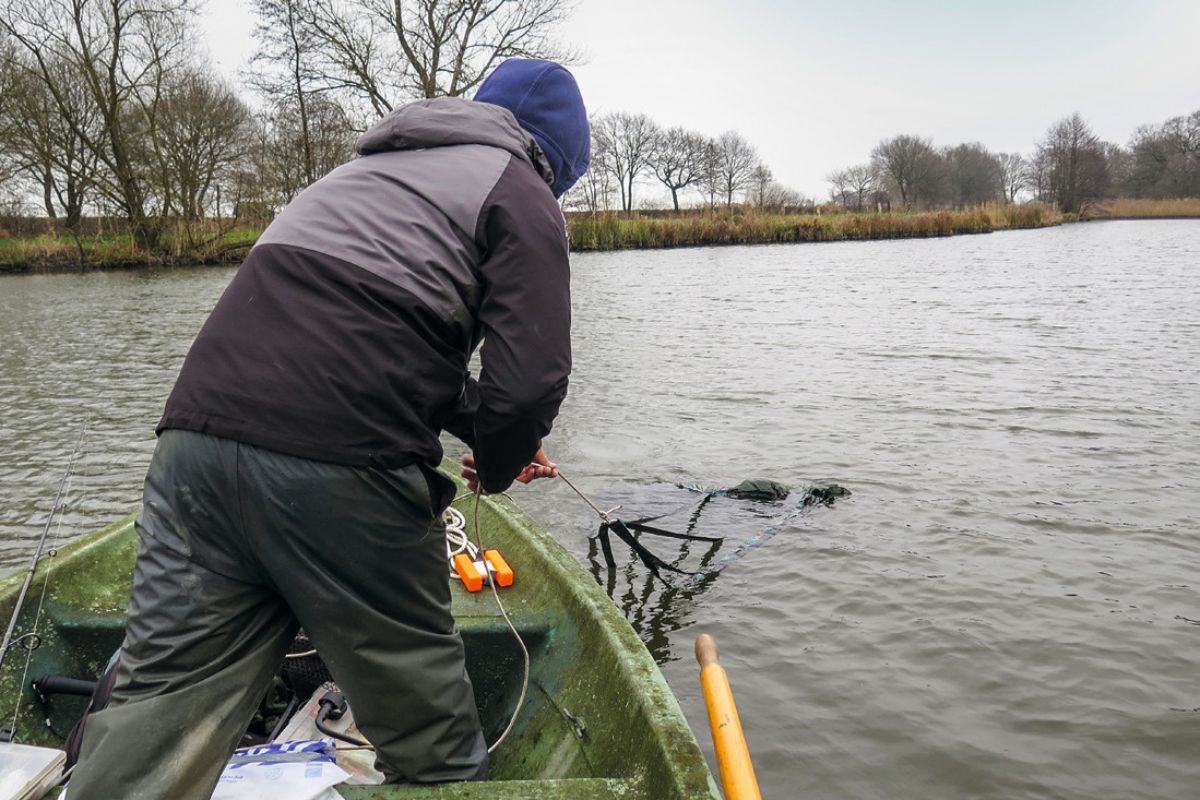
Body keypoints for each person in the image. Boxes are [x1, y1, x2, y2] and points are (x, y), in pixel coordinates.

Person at [67, 58, 589, 798]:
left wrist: (490, 433)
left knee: (154, 725)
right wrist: (501, 463)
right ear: (555, 159)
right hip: (343, 472)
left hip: (193, 450)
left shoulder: (351, 179)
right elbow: (529, 382)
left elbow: (368, 344)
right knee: (435, 750)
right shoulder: (519, 187)